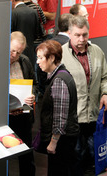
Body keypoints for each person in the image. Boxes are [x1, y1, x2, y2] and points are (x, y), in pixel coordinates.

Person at [61, 15, 107, 174]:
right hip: (73, 118)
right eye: (77, 35)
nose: (82, 39)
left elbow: (105, 77)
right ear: (69, 33)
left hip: (93, 114)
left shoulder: (97, 51)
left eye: (85, 35)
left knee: (92, 157)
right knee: (75, 157)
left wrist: (106, 93)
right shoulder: (61, 54)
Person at [36, 40, 80, 176]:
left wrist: (53, 142)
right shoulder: (59, 75)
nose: (38, 62)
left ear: (52, 58)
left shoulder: (59, 80)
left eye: (41, 58)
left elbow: (60, 116)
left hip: (62, 141)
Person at [9, 31, 37, 176]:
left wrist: (33, 96)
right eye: (12, 50)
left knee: (26, 154)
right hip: (4, 117)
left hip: (23, 115)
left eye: (18, 52)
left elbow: (35, 84)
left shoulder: (24, 61)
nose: (14, 55)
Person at [11, 0, 39, 66]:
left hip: (15, 55)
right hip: (30, 53)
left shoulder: (13, 13)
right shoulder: (33, 12)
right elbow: (38, 33)